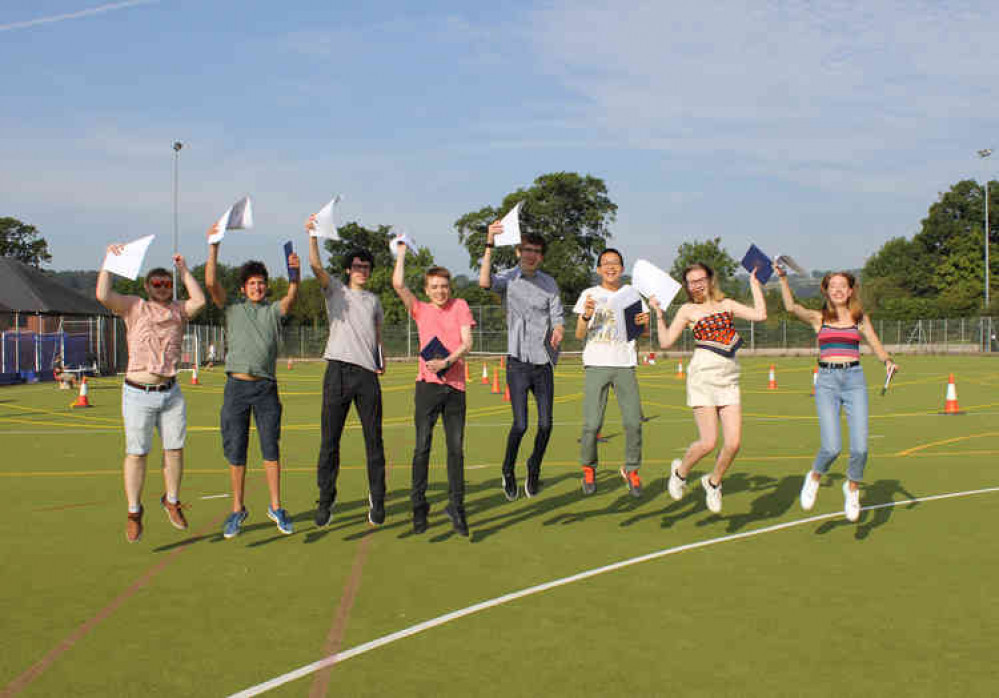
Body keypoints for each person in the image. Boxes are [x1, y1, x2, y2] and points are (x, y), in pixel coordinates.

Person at [96, 248, 206, 542]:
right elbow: (103, 295)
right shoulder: (135, 306)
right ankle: (134, 512)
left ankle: (171, 500)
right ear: (147, 287)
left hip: (170, 392)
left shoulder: (179, 310)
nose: (161, 287)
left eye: (166, 283)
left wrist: (183, 270)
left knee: (174, 450)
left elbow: (200, 301)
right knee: (137, 453)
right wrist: (110, 262)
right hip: (137, 393)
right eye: (156, 284)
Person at [776, 265, 897, 522]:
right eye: (833, 286)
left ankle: (852, 487)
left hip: (854, 380)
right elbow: (790, 307)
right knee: (831, 447)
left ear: (851, 290)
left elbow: (874, 342)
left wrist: (887, 361)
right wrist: (784, 279)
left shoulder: (859, 318)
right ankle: (815, 477)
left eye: (843, 286)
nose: (839, 290)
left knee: (861, 448)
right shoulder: (819, 318)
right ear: (827, 291)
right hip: (827, 382)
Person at [204, 227, 300, 538]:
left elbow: (291, 297)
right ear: (243, 288)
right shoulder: (232, 309)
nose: (257, 287)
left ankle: (276, 506)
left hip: (265, 388)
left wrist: (295, 276)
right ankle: (237, 509)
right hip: (236, 388)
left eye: (261, 283)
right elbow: (210, 283)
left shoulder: (274, 310)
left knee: (270, 448)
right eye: (252, 284)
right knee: (237, 450)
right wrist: (214, 248)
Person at [650, 263, 765, 513]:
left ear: (710, 280)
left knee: (733, 443)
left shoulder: (727, 305)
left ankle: (713, 482)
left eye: (701, 279)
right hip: (703, 377)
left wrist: (754, 285)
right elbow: (666, 342)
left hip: (729, 377)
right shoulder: (687, 310)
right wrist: (659, 315)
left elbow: (760, 315)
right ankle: (680, 473)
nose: (697, 285)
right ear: (688, 287)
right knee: (708, 442)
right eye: (691, 282)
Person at [307, 215, 387, 527]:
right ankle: (325, 500)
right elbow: (316, 267)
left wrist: (381, 359)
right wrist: (313, 235)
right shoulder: (336, 291)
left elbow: (377, 337)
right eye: (357, 266)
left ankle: (377, 500)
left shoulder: (374, 301)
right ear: (348, 270)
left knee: (374, 441)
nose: (362, 271)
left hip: (367, 376)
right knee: (330, 442)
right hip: (337, 373)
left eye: (366, 267)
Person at [391, 241, 475, 536]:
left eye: (444, 286)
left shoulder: (461, 306)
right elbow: (398, 283)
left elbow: (468, 343)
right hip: (427, 388)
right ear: (426, 290)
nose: (440, 291)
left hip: (455, 388)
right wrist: (401, 252)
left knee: (455, 450)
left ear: (450, 288)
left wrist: (447, 362)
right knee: (422, 447)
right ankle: (419, 505)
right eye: (434, 286)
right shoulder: (420, 310)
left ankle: (457, 506)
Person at [478, 221, 564, 499]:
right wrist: (489, 242)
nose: (531, 255)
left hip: (543, 364)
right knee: (520, 425)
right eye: (527, 249)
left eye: (537, 251)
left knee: (546, 424)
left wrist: (559, 329)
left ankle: (534, 467)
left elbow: (558, 317)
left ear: (542, 256)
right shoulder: (508, 278)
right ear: (518, 251)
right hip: (517, 363)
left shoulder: (549, 283)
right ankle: (507, 469)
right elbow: (483, 283)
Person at [574, 248, 650, 497]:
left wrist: (643, 325)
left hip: (625, 364)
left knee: (632, 423)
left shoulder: (632, 295)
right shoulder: (589, 294)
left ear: (622, 268)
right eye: (605, 263)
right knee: (592, 424)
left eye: (615, 263)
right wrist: (586, 315)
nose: (610, 267)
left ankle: (632, 469)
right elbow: (578, 334)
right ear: (598, 270)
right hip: (596, 363)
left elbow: (644, 332)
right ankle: (588, 467)